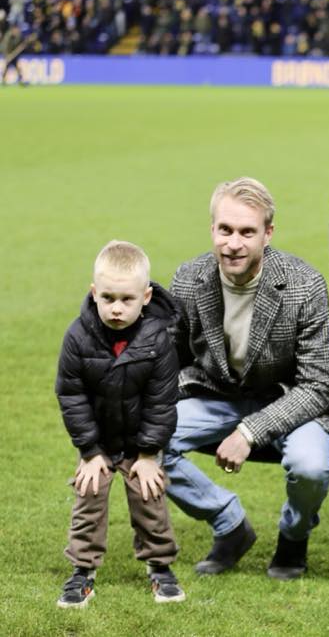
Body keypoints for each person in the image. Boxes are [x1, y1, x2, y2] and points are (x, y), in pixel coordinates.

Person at [166, 177, 329, 581]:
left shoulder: (304, 285)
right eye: (225, 230)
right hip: (216, 397)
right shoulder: (188, 279)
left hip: (290, 403)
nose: (233, 244)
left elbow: (319, 385)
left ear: (268, 234)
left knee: (310, 466)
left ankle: (293, 538)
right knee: (142, 438)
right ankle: (229, 524)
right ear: (212, 229)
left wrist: (250, 431)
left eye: (247, 232)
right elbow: (168, 363)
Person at [55, 241, 184, 608]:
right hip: (98, 442)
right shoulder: (77, 337)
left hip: (139, 442)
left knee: (149, 493)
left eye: (126, 299)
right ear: (93, 292)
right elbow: (71, 396)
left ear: (145, 297)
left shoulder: (157, 339)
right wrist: (90, 451)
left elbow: (162, 401)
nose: (115, 308)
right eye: (107, 297)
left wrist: (147, 454)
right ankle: (83, 571)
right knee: (90, 491)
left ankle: (160, 568)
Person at [1, 14, 28, 86]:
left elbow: (22, 44)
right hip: (8, 54)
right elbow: (4, 47)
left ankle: (21, 81)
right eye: (16, 29)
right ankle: (3, 81)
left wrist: (23, 45)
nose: (17, 31)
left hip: (14, 55)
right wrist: (7, 56)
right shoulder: (8, 36)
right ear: (13, 29)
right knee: (6, 68)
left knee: (17, 68)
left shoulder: (19, 36)